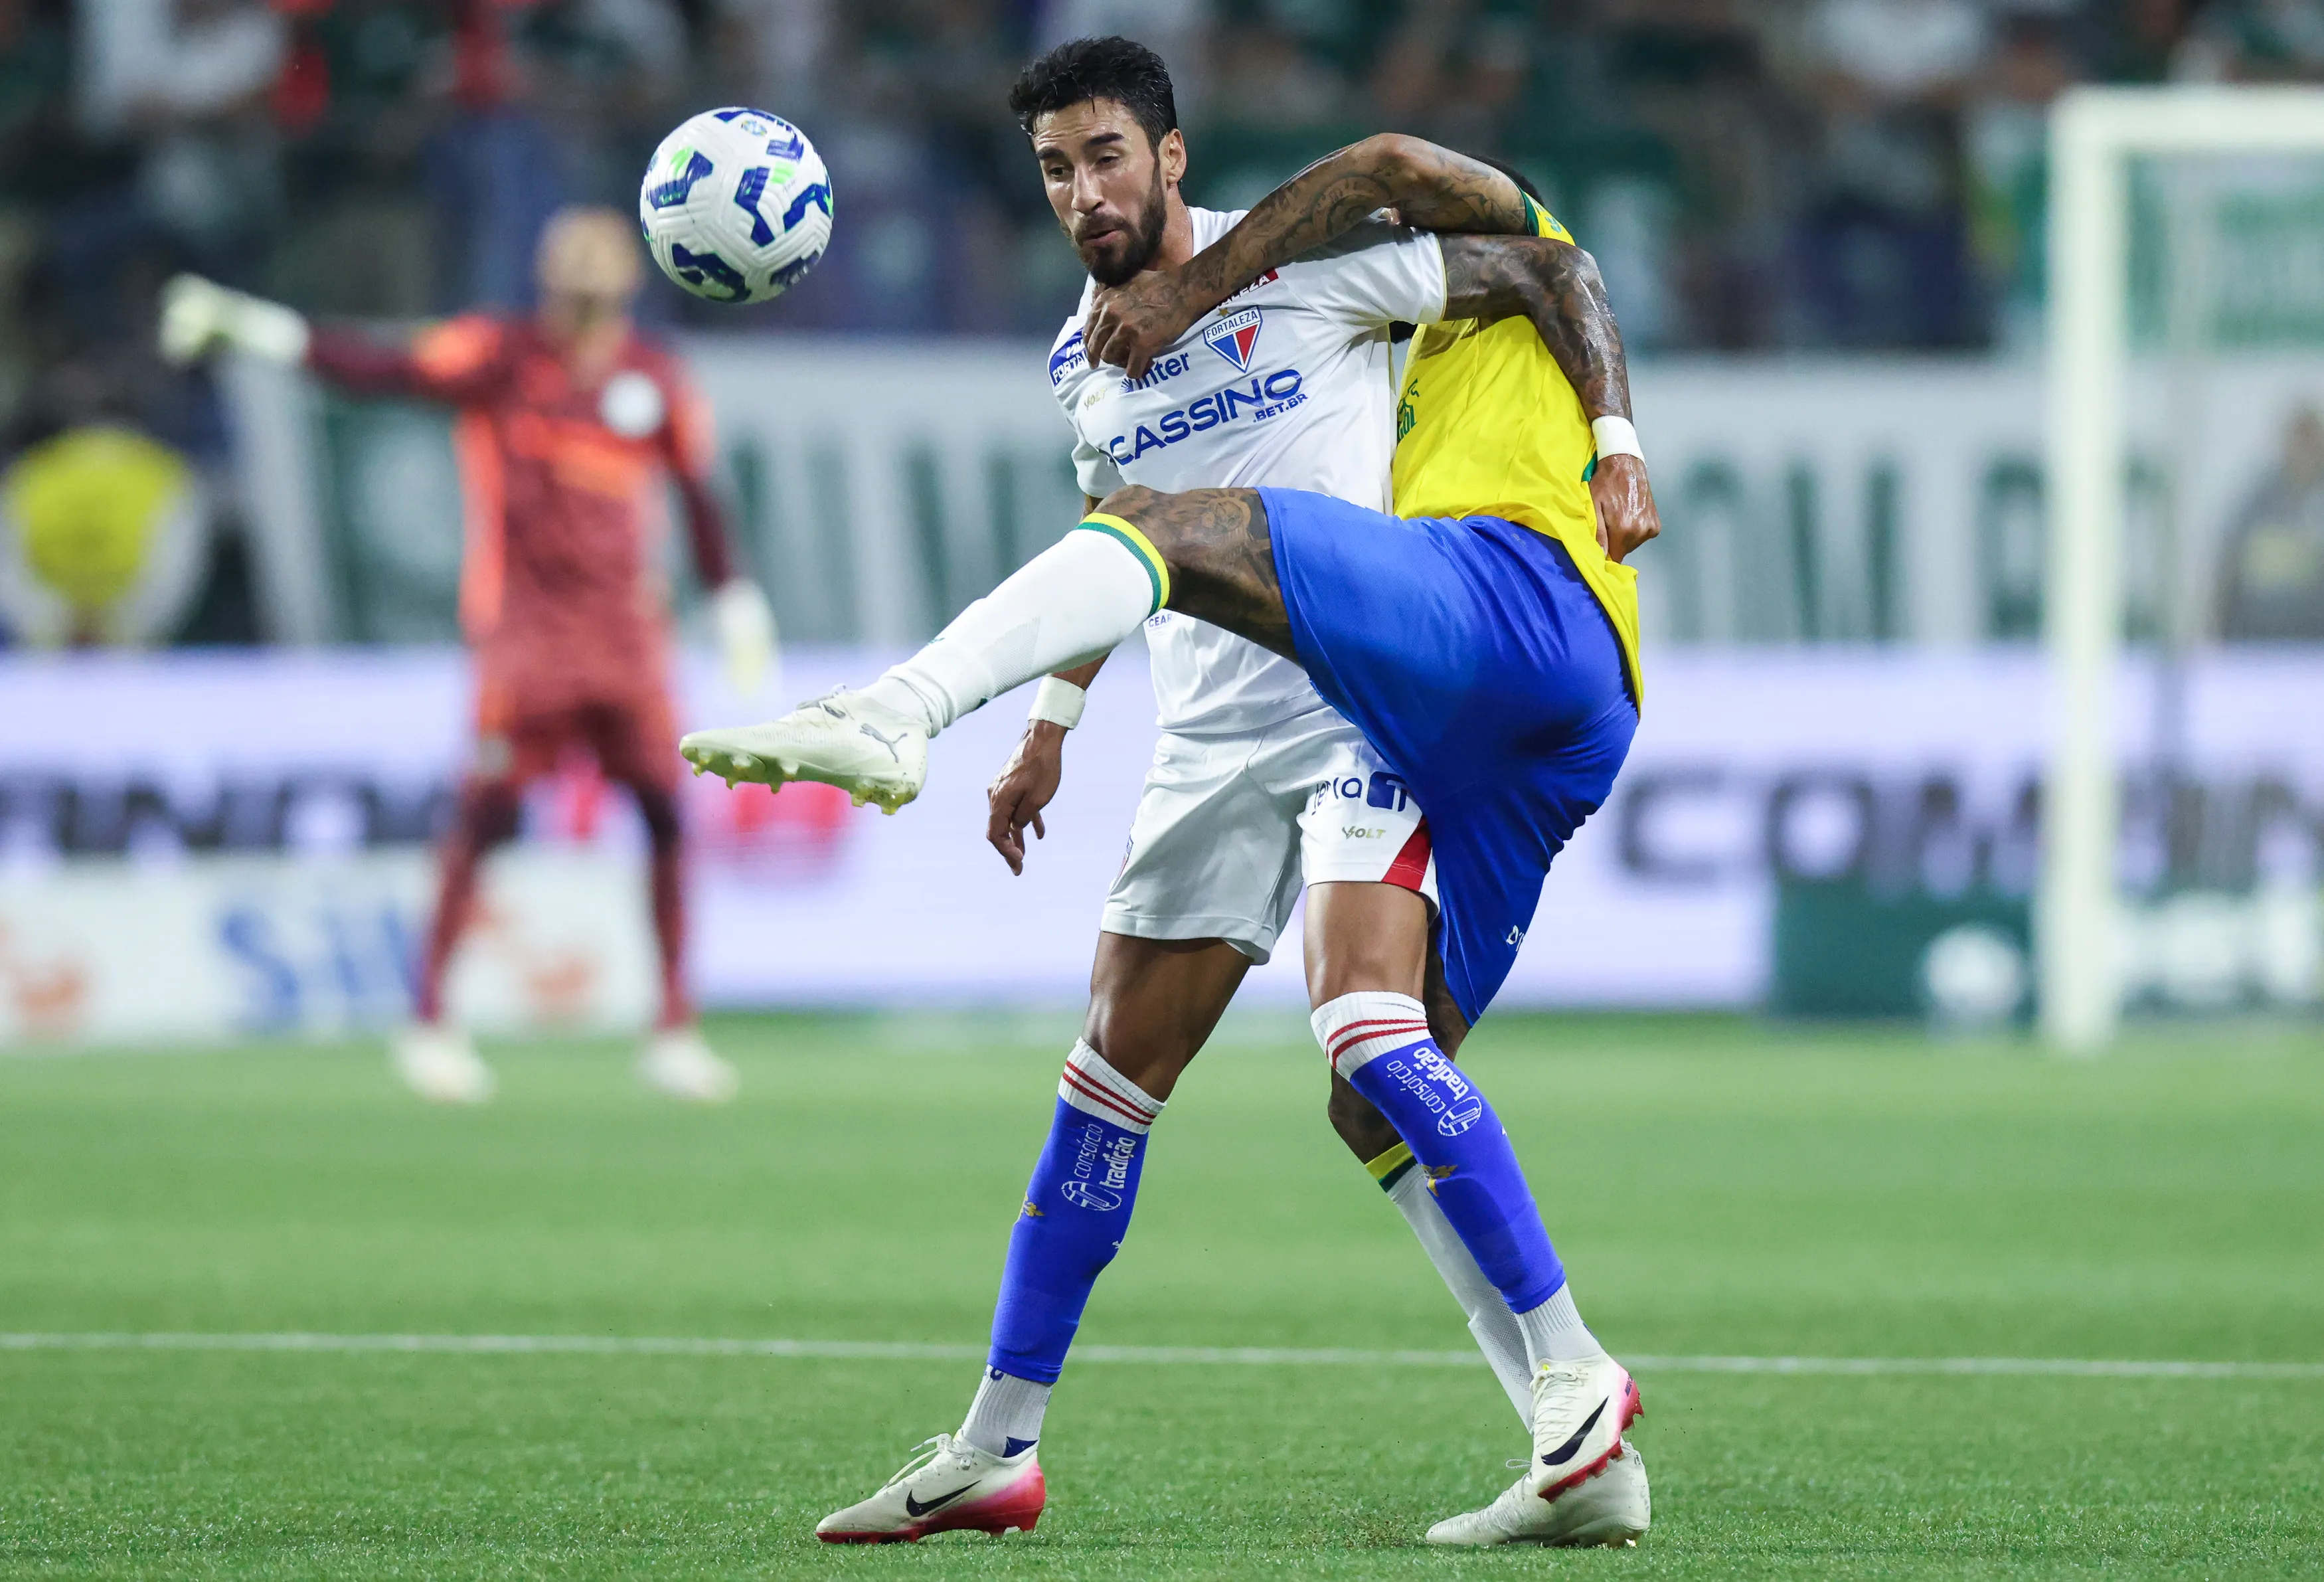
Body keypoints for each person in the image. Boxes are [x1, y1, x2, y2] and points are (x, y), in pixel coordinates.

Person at [687, 38, 1657, 1547]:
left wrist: (1609, 437)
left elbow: (1537, 272)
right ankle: (998, 1449)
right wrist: (1058, 722)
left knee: (1367, 1031)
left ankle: (1572, 1374)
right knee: (1109, 1078)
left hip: (1359, 697)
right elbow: (1114, 528)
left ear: (1172, 158)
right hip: (1202, 737)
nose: (1084, 193)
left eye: (1107, 158)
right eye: (1057, 170)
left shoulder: (1312, 275)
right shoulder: (1076, 359)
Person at [158, 206, 775, 1106]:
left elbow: (699, 493)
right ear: (544, 270)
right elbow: (376, 368)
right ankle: (431, 1020)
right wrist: (257, 330)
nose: (585, 270)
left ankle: (674, 1029)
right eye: (569, 254)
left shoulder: (656, 379)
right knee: (485, 816)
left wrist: (735, 600)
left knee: (666, 818)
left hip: (627, 639)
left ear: (633, 276)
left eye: (601, 255)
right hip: (525, 636)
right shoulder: (500, 355)